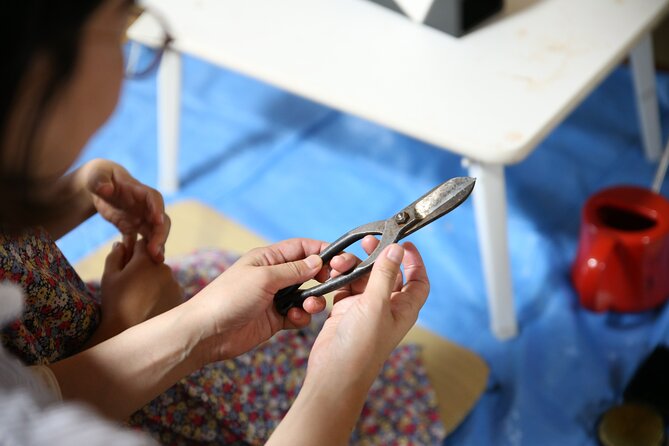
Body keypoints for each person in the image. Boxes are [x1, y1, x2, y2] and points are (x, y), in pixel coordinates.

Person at [0, 0, 432, 444]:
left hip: (96, 326)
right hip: (127, 398)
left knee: (237, 290)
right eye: (118, 29)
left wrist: (58, 201)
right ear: (34, 71)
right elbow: (39, 409)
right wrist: (346, 371)